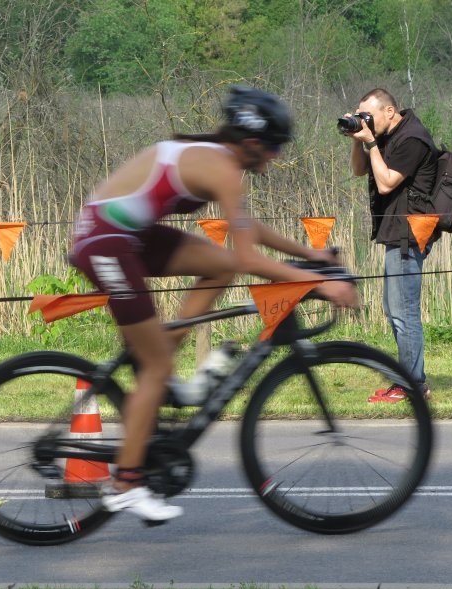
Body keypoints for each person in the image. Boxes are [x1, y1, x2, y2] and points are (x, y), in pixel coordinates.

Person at [68, 85, 359, 523]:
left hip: (128, 234)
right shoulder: (222, 168)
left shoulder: (220, 160)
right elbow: (250, 258)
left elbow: (247, 231)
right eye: (274, 147)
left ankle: (162, 366)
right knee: (157, 364)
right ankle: (125, 484)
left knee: (220, 265)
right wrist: (319, 283)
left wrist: (310, 255)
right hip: (105, 240)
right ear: (252, 143)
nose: (276, 156)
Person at [343, 88, 437, 403]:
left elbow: (385, 183)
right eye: (361, 116)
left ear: (389, 111)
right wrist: (358, 138)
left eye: (368, 115)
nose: (366, 121)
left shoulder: (412, 138)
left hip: (408, 234)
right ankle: (409, 382)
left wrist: (371, 142)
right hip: (395, 232)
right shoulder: (386, 134)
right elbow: (359, 170)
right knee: (394, 309)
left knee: (403, 312)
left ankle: (412, 386)